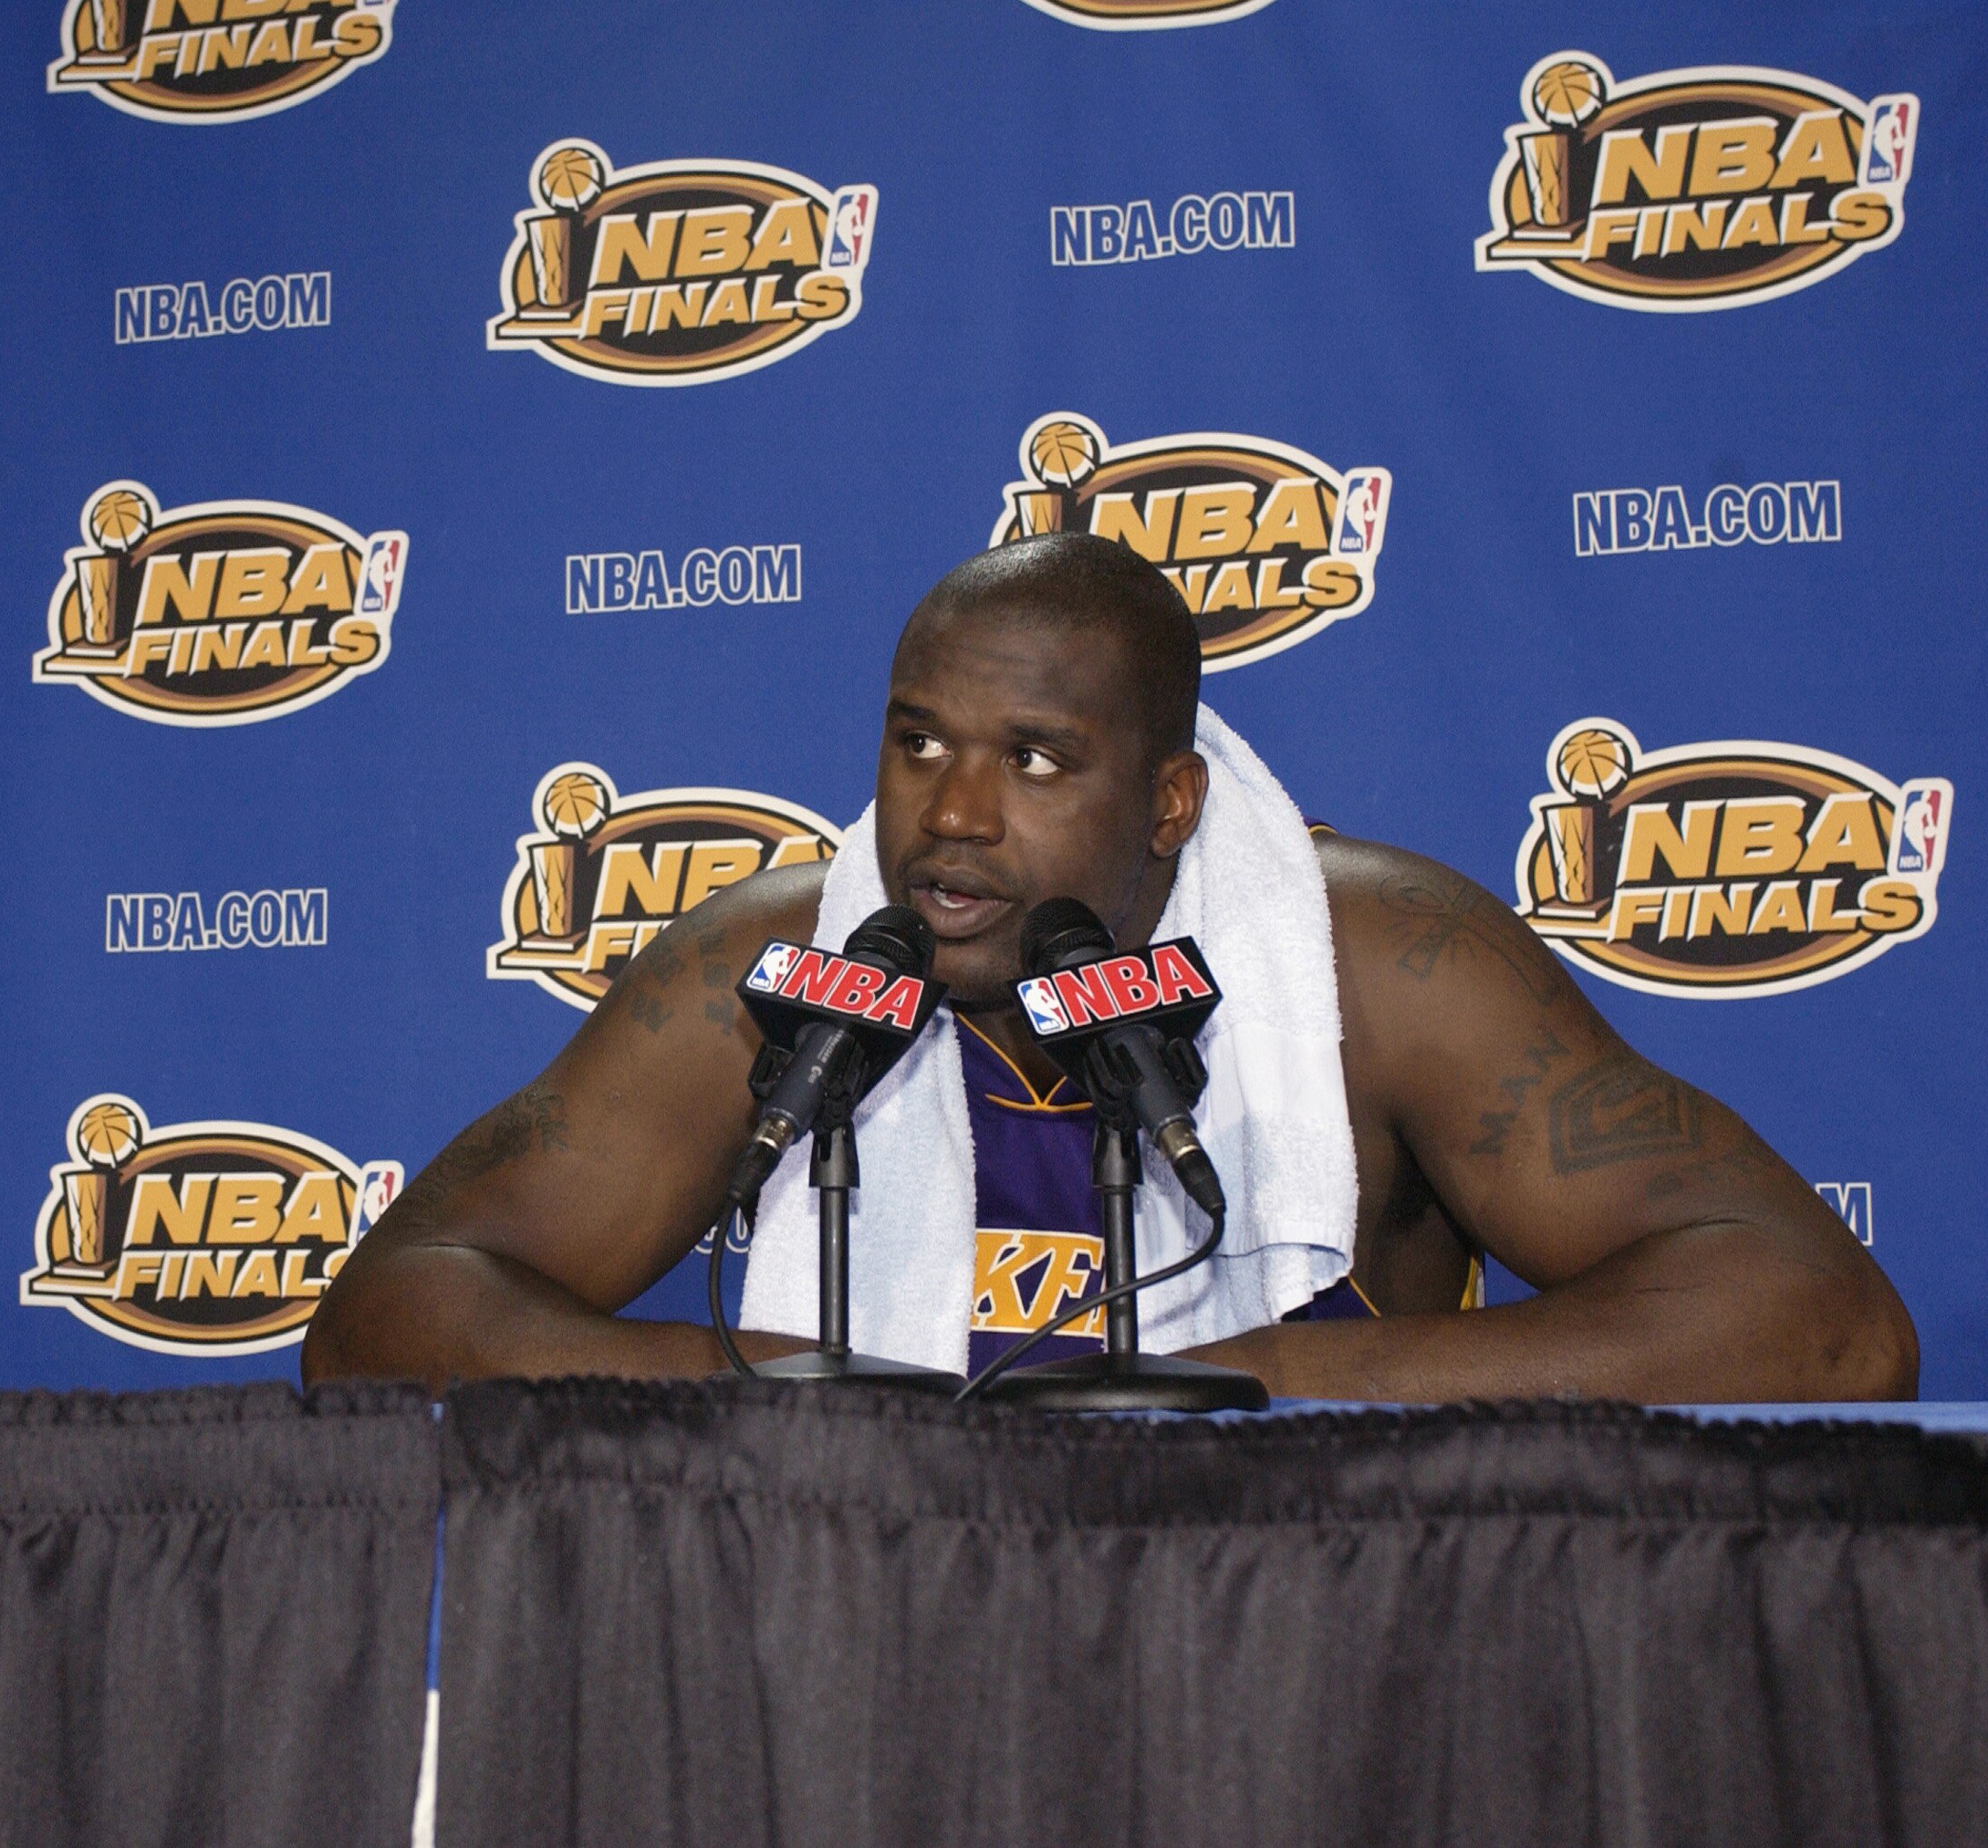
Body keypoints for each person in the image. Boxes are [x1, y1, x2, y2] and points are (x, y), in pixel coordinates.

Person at [305, 535, 1917, 1402]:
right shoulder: (768, 967)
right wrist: (789, 1391)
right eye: (917, 739)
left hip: (1319, 1656)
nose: (950, 812)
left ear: (1171, 802)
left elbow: (1823, 1326)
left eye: (1036, 759)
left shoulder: (1383, 961)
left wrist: (1268, 1390)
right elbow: (383, 1314)